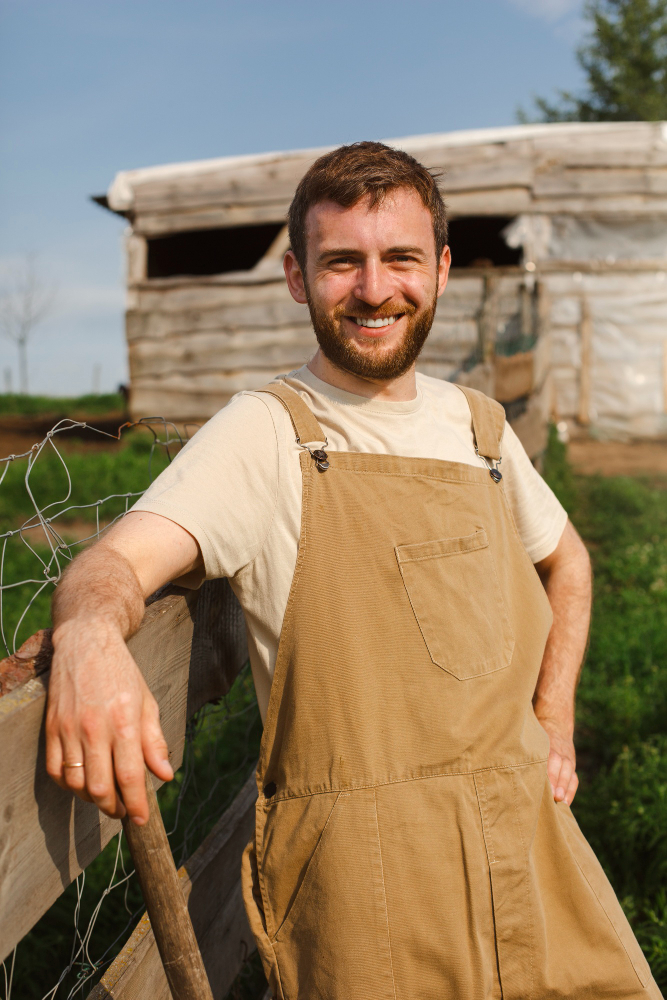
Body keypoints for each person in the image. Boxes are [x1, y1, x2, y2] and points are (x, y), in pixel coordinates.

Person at [46, 142, 661, 1000]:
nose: (375, 290)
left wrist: (553, 720)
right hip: (373, 889)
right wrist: (84, 635)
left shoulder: (478, 427)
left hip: (532, 848)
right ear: (298, 277)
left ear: (440, 270)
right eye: (343, 262)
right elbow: (111, 563)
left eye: (400, 258)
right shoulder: (264, 432)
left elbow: (569, 562)